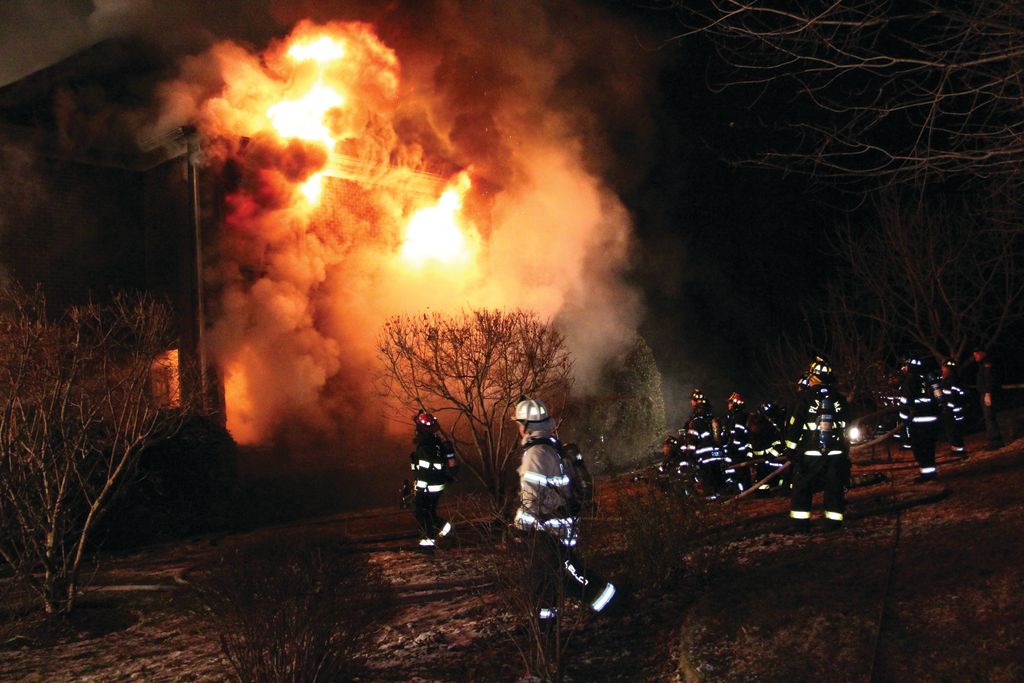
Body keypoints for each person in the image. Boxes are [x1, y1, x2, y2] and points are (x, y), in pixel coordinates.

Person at [512, 398, 617, 623]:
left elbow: (531, 495)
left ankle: (613, 603)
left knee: (565, 576)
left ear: (526, 425)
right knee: (546, 578)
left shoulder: (535, 454)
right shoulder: (552, 446)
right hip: (560, 523)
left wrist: (519, 528)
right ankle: (543, 625)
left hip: (549, 528)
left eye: (519, 424)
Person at [784, 357, 852, 532]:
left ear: (813, 378)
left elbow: (795, 424)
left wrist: (790, 450)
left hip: (811, 454)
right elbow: (849, 424)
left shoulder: (806, 397)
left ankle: (800, 524)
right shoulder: (839, 398)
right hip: (836, 453)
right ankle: (834, 522)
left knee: (801, 487)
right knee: (834, 487)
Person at [409, 412, 457, 549]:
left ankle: (429, 544)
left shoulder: (425, 444)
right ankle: (433, 539)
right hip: (434, 484)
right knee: (427, 513)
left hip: (428, 485)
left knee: (423, 514)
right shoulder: (434, 441)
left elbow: (428, 469)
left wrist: (419, 486)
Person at [898, 356, 943, 483]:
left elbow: (905, 405)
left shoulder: (909, 384)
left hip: (918, 424)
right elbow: (938, 399)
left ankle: (927, 474)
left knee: (920, 450)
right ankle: (930, 472)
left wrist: (904, 422)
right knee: (929, 448)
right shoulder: (929, 380)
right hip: (932, 422)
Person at [683, 389, 727, 499]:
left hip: (705, 458)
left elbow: (692, 440)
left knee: (708, 482)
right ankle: (724, 500)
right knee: (719, 479)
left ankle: (713, 502)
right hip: (718, 456)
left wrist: (689, 453)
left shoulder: (696, 422)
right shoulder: (713, 420)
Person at [748, 402, 787, 494]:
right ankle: (763, 493)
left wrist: (771, 456)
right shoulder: (753, 434)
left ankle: (780, 490)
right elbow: (750, 446)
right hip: (761, 463)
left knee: (775, 479)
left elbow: (778, 445)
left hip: (772, 462)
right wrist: (749, 457)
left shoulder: (769, 431)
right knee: (762, 481)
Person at [973, 348, 1005, 451]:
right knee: (989, 417)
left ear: (982, 353)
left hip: (988, 393)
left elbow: (989, 379)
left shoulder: (987, 363)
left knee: (990, 417)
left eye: (977, 354)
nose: (975, 357)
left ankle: (995, 441)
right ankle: (994, 440)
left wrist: (988, 393)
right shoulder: (983, 364)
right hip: (986, 392)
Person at [721, 392, 752, 493]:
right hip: (736, 450)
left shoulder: (739, 417)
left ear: (735, 404)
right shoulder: (735, 416)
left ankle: (744, 491)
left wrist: (733, 447)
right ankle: (741, 489)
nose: (728, 405)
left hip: (738, 451)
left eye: (730, 403)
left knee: (741, 472)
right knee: (738, 471)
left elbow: (738, 435)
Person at [940, 359, 969, 456]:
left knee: (954, 429)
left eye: (944, 368)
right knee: (952, 429)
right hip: (952, 408)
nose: (942, 369)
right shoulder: (949, 379)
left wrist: (949, 406)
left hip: (954, 409)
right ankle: (956, 447)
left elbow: (955, 396)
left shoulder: (952, 380)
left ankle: (958, 449)